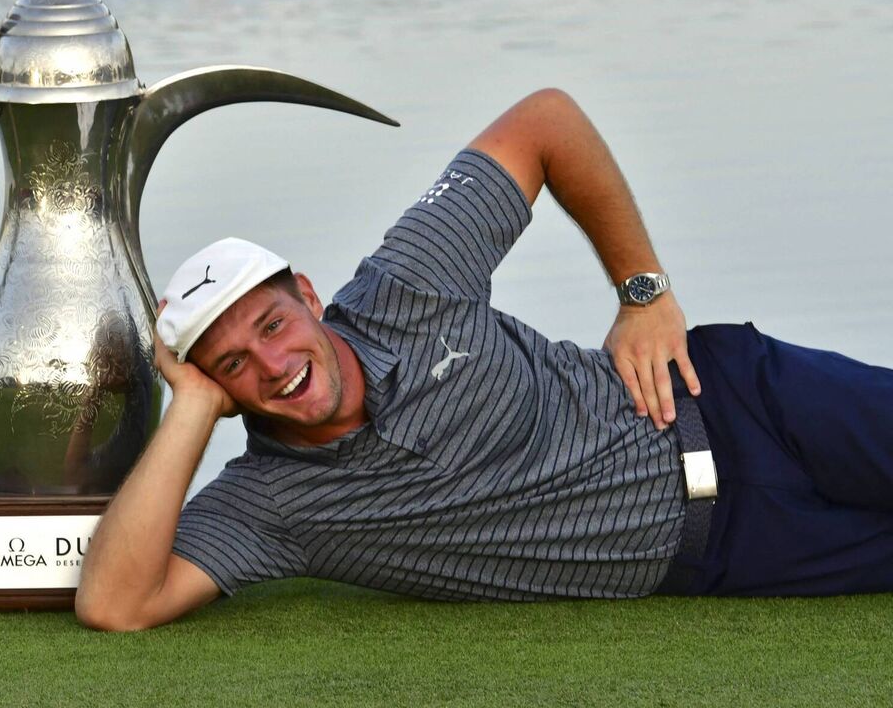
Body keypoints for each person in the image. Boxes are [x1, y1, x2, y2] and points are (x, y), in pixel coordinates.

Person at [74, 89, 893, 632]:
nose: (272, 362)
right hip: (730, 551)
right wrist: (184, 404)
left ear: (309, 298)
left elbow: (545, 121)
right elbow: (116, 603)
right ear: (217, 388)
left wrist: (642, 293)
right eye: (231, 363)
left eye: (271, 323)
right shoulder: (269, 507)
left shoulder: (410, 281)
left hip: (738, 399)